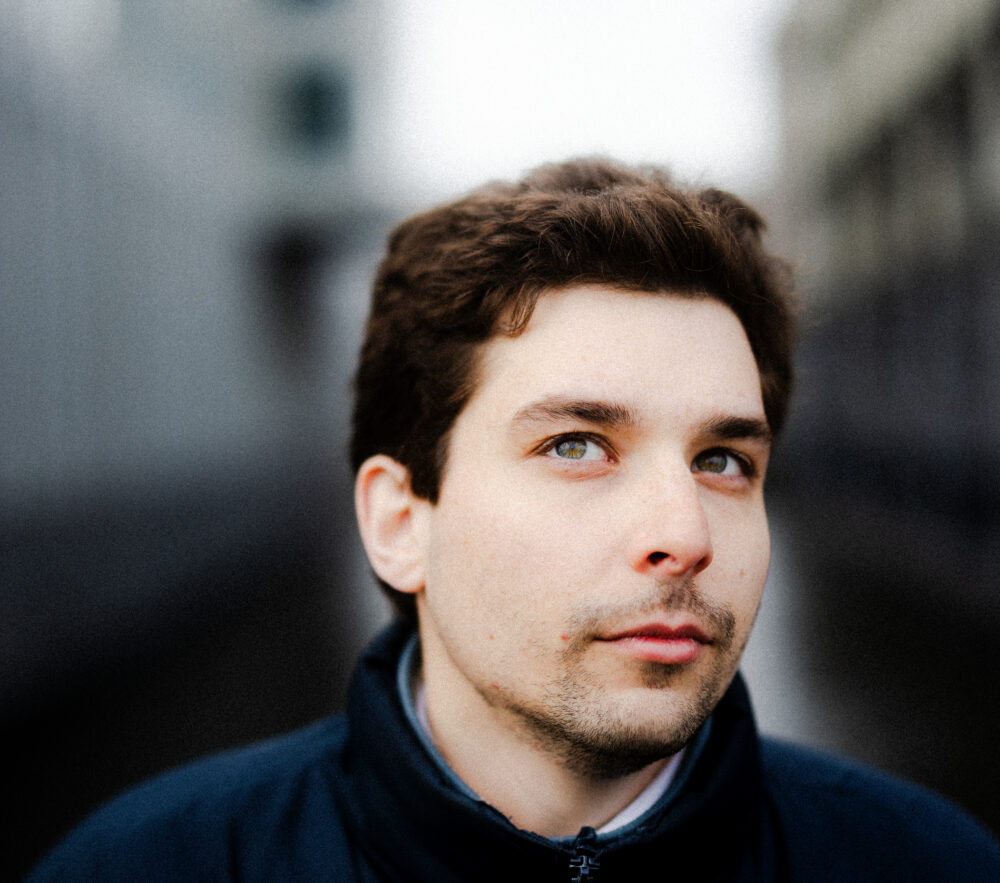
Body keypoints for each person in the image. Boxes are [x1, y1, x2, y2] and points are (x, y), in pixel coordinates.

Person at [29, 159, 1000, 881]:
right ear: (400, 522)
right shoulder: (147, 867)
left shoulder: (928, 864)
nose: (686, 534)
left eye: (722, 460)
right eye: (576, 444)